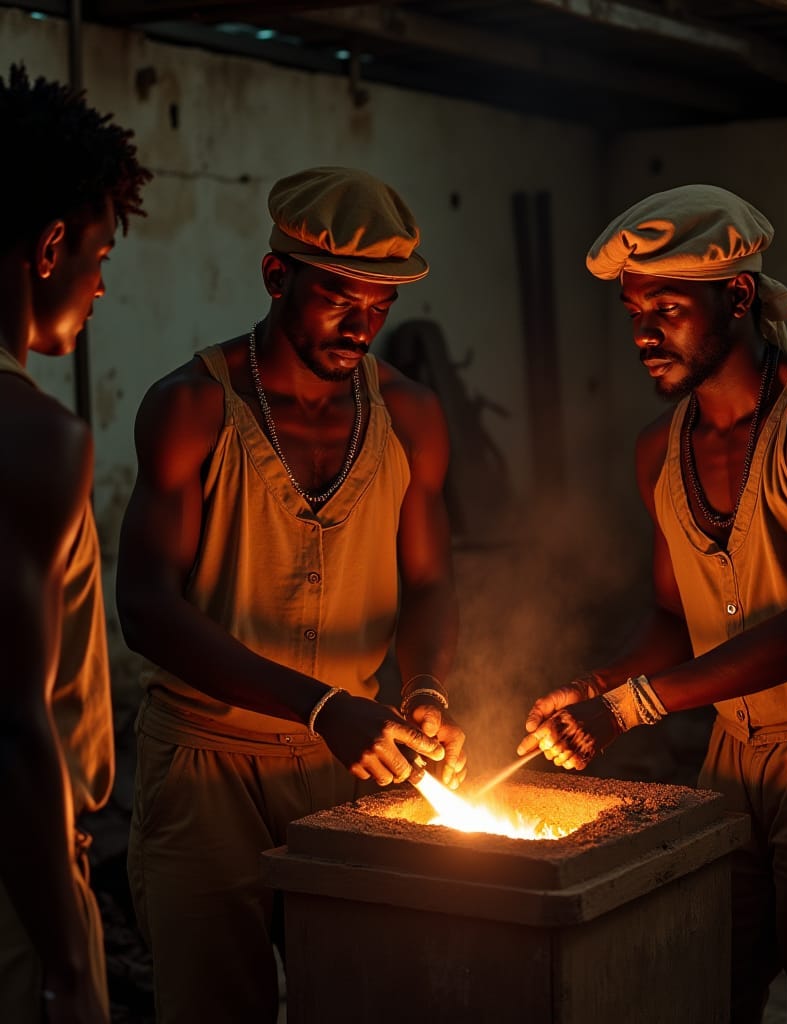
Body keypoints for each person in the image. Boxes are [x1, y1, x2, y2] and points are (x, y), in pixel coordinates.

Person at [518, 184, 787, 1023]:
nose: (643, 332)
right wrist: (600, 684)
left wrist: (631, 708)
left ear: (738, 295)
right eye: (635, 309)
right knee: (706, 985)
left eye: (668, 306)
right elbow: (676, 620)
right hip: (736, 751)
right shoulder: (659, 451)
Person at [116, 165, 466, 1023]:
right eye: (340, 297)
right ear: (278, 278)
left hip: (352, 764)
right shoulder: (193, 407)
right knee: (212, 1004)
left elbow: (427, 585)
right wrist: (320, 708)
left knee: (358, 993)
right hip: (206, 767)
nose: (363, 325)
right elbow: (147, 608)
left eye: (381, 306)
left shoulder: (410, 415)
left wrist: (421, 690)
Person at [0, 64, 150, 1024]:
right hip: (15, 883)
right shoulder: (34, 437)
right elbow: (9, 724)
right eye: (98, 257)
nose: (98, 288)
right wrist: (63, 960)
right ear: (51, 245)